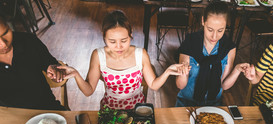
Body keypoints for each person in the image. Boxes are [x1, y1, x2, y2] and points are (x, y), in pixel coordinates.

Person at [60, 10, 189, 110]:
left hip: (137, 110)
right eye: (112, 41)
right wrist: (76, 74)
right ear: (104, 38)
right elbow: (88, 91)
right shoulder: (98, 55)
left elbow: (153, 85)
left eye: (124, 40)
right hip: (109, 110)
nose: (118, 46)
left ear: (131, 33)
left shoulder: (140, 54)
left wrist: (167, 72)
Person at [175, 1, 245, 107]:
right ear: (203, 21)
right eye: (210, 29)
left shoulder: (229, 48)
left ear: (226, 26)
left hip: (214, 104)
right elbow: (180, 85)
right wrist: (183, 74)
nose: (214, 36)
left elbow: (224, 85)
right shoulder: (190, 42)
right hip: (186, 103)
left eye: (220, 30)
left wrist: (237, 69)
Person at [0, 13, 66, 110]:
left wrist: (56, 71)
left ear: (9, 25)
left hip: (47, 110)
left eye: (5, 33)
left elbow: (54, 65)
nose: (3, 44)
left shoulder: (28, 41)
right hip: (10, 118)